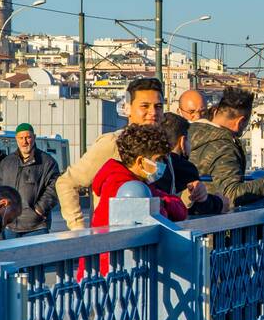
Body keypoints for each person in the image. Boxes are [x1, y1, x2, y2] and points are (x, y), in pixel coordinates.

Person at [57, 77, 165, 230]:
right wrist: (78, 229)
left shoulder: (163, 147)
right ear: (128, 108)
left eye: (158, 106)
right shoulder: (113, 143)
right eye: (145, 106)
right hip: (113, 242)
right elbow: (66, 182)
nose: (153, 112)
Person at [86, 124, 189, 276]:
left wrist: (162, 202)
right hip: (110, 271)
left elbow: (180, 210)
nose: (163, 165)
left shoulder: (139, 183)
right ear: (141, 162)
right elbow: (159, 216)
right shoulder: (125, 186)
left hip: (116, 268)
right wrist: (161, 203)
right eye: (159, 159)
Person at [190, 86, 264, 210]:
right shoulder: (224, 147)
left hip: (179, 220)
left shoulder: (187, 132)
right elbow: (231, 195)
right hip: (211, 222)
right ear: (239, 122)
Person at [0, 123, 61, 238]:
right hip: (10, 226)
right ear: (16, 139)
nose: (25, 142)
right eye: (21, 138)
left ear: (34, 137)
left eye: (28, 137)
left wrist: (39, 210)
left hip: (36, 227)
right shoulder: (7, 162)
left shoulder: (47, 162)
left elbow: (54, 187)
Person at [155, 112, 221, 216]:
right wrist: (219, 203)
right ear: (183, 141)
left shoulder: (152, 164)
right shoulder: (186, 168)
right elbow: (197, 206)